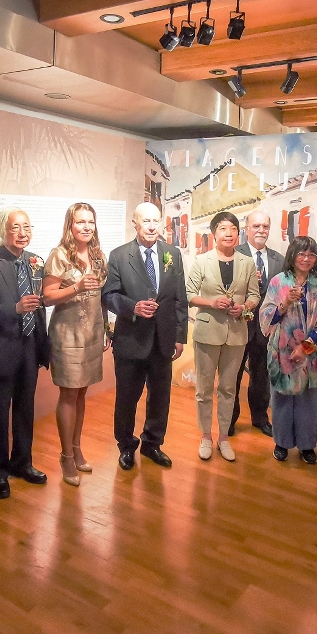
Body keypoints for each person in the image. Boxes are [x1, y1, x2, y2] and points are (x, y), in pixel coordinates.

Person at [102, 202, 188, 471]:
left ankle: (153, 444)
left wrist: (179, 336)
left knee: (160, 398)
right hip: (131, 340)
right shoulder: (119, 256)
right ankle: (126, 446)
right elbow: (109, 296)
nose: (152, 226)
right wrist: (133, 307)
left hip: (163, 340)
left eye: (156, 221)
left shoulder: (172, 254)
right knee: (127, 399)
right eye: (146, 221)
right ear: (135, 224)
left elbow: (179, 298)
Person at [0, 208, 51, 500]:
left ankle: (22, 463)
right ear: (2, 229)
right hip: (1, 347)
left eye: (26, 227)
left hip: (30, 345)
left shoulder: (36, 261)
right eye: (15, 227)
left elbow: (41, 304)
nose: (22, 233)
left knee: (25, 409)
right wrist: (15, 309)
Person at [42, 203, 109, 486]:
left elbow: (102, 297)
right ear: (70, 225)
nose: (86, 227)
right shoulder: (59, 255)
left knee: (82, 394)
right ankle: (66, 456)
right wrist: (76, 287)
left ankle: (77, 448)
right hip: (67, 334)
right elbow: (47, 297)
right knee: (69, 395)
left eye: (90, 222)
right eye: (80, 222)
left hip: (92, 332)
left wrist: (106, 328)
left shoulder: (98, 255)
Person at [186, 211, 260, 462]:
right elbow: (188, 294)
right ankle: (206, 436)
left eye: (233, 229)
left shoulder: (247, 263)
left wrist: (245, 307)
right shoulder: (202, 261)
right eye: (223, 228)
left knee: (229, 388)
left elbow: (254, 294)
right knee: (204, 389)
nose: (229, 233)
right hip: (207, 331)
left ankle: (224, 437)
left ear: (239, 234)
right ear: (214, 233)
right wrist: (211, 303)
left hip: (237, 333)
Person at [260, 236, 317, 464]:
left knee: (309, 401)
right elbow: (266, 318)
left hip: (311, 351)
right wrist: (285, 303)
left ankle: (307, 445)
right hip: (282, 352)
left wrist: (306, 346)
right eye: (301, 254)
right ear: (292, 255)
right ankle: (281, 442)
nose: (306, 259)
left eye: (311, 255)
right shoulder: (278, 281)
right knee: (282, 399)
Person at [232, 210, 283, 437]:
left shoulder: (279, 259)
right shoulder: (234, 254)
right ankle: (229, 419)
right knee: (232, 376)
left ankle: (260, 418)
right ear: (247, 229)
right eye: (256, 226)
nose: (261, 230)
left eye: (265, 226)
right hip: (237, 326)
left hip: (266, 329)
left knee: (261, 376)